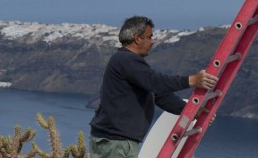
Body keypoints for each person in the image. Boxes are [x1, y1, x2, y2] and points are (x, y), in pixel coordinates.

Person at [89, 15, 218, 158]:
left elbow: (159, 95)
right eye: (149, 37)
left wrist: (193, 112)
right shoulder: (126, 60)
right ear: (137, 38)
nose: (153, 41)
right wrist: (192, 80)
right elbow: (156, 82)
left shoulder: (126, 62)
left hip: (114, 141)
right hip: (116, 142)